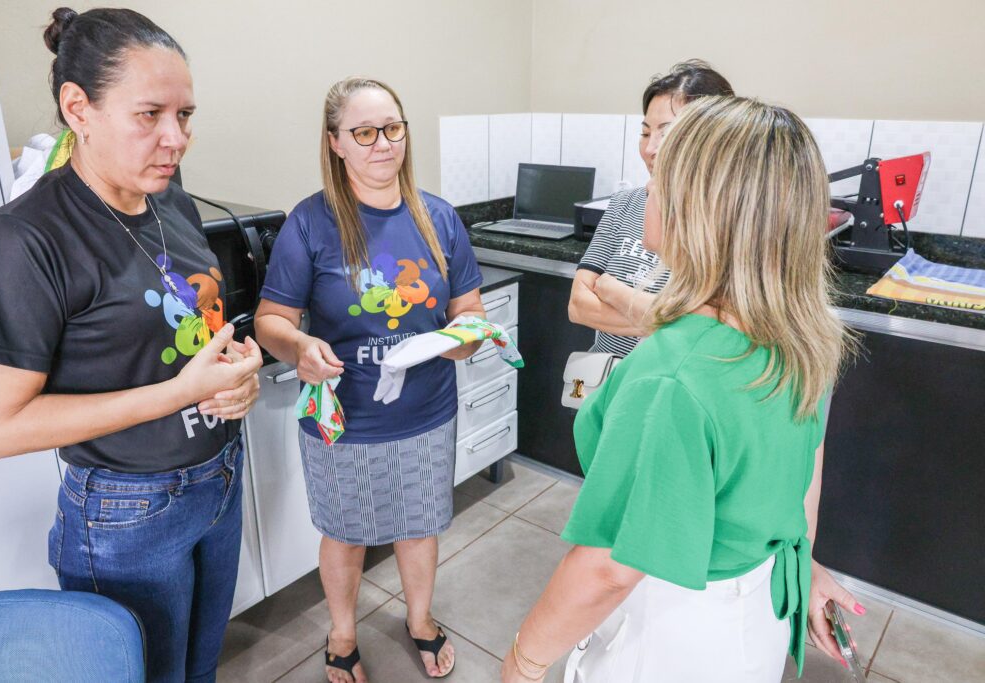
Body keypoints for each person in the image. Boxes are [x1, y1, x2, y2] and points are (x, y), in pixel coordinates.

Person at [502, 97, 863, 683]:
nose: (648, 177)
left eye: (663, 172)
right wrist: (802, 558)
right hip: (759, 610)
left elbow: (609, 569)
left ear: (700, 211)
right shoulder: (803, 335)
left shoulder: (673, 377)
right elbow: (802, 477)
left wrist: (524, 660)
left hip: (676, 629)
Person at [0, 8, 261, 682]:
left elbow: (193, 329)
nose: (175, 138)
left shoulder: (172, 205)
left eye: (185, 116)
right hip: (127, 513)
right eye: (149, 114)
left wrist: (237, 370)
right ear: (79, 108)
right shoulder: (25, 240)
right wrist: (179, 392)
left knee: (198, 669)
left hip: (217, 478)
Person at [255, 77, 485, 683]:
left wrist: (465, 338)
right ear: (336, 143)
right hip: (343, 418)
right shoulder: (310, 223)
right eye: (364, 132)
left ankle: (420, 620)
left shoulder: (438, 218)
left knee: (420, 526)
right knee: (345, 534)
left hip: (426, 410)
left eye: (393, 128)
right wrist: (300, 346)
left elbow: (470, 310)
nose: (383, 144)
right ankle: (342, 631)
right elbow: (271, 320)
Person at [568, 60, 734, 357]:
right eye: (645, 133)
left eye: (666, 133)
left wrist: (611, 290)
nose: (650, 149)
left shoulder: (732, 225)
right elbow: (579, 306)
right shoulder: (625, 203)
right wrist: (666, 319)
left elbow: (715, 330)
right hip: (602, 377)